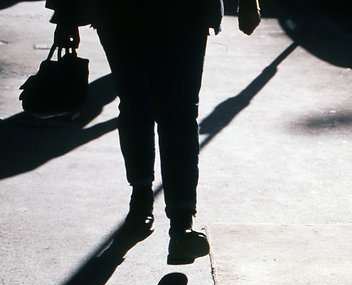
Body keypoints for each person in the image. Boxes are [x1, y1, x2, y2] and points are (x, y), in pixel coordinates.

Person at [46, 0, 261, 264]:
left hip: (155, 13)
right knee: (165, 112)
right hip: (133, 13)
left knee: (150, 110)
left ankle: (160, 210)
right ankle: (165, 213)